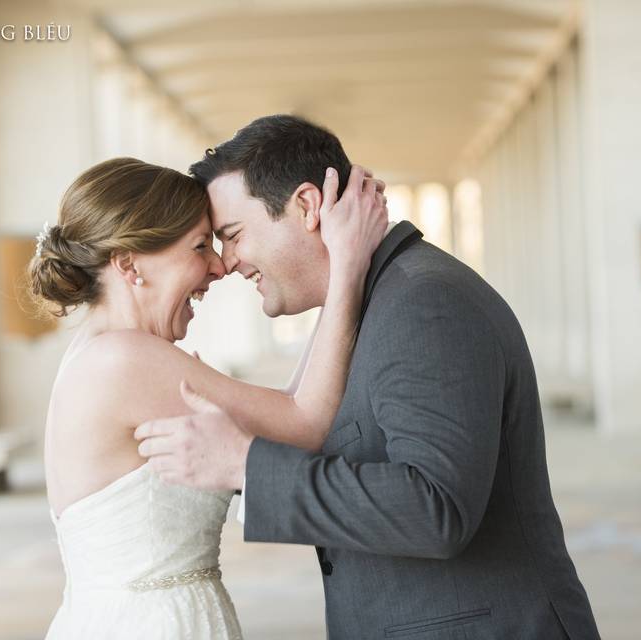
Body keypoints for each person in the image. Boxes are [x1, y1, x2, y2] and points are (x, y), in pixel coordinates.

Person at [135, 115, 602, 639]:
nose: (229, 263)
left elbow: (436, 507)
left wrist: (246, 466)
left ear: (308, 207)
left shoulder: (424, 304)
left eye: (234, 235)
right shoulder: (374, 299)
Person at [29, 155, 387, 639]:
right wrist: (347, 265)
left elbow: (290, 405)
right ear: (130, 264)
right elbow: (305, 424)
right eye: (200, 245)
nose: (219, 266)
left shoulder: (101, 352)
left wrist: (330, 273)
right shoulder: (126, 360)